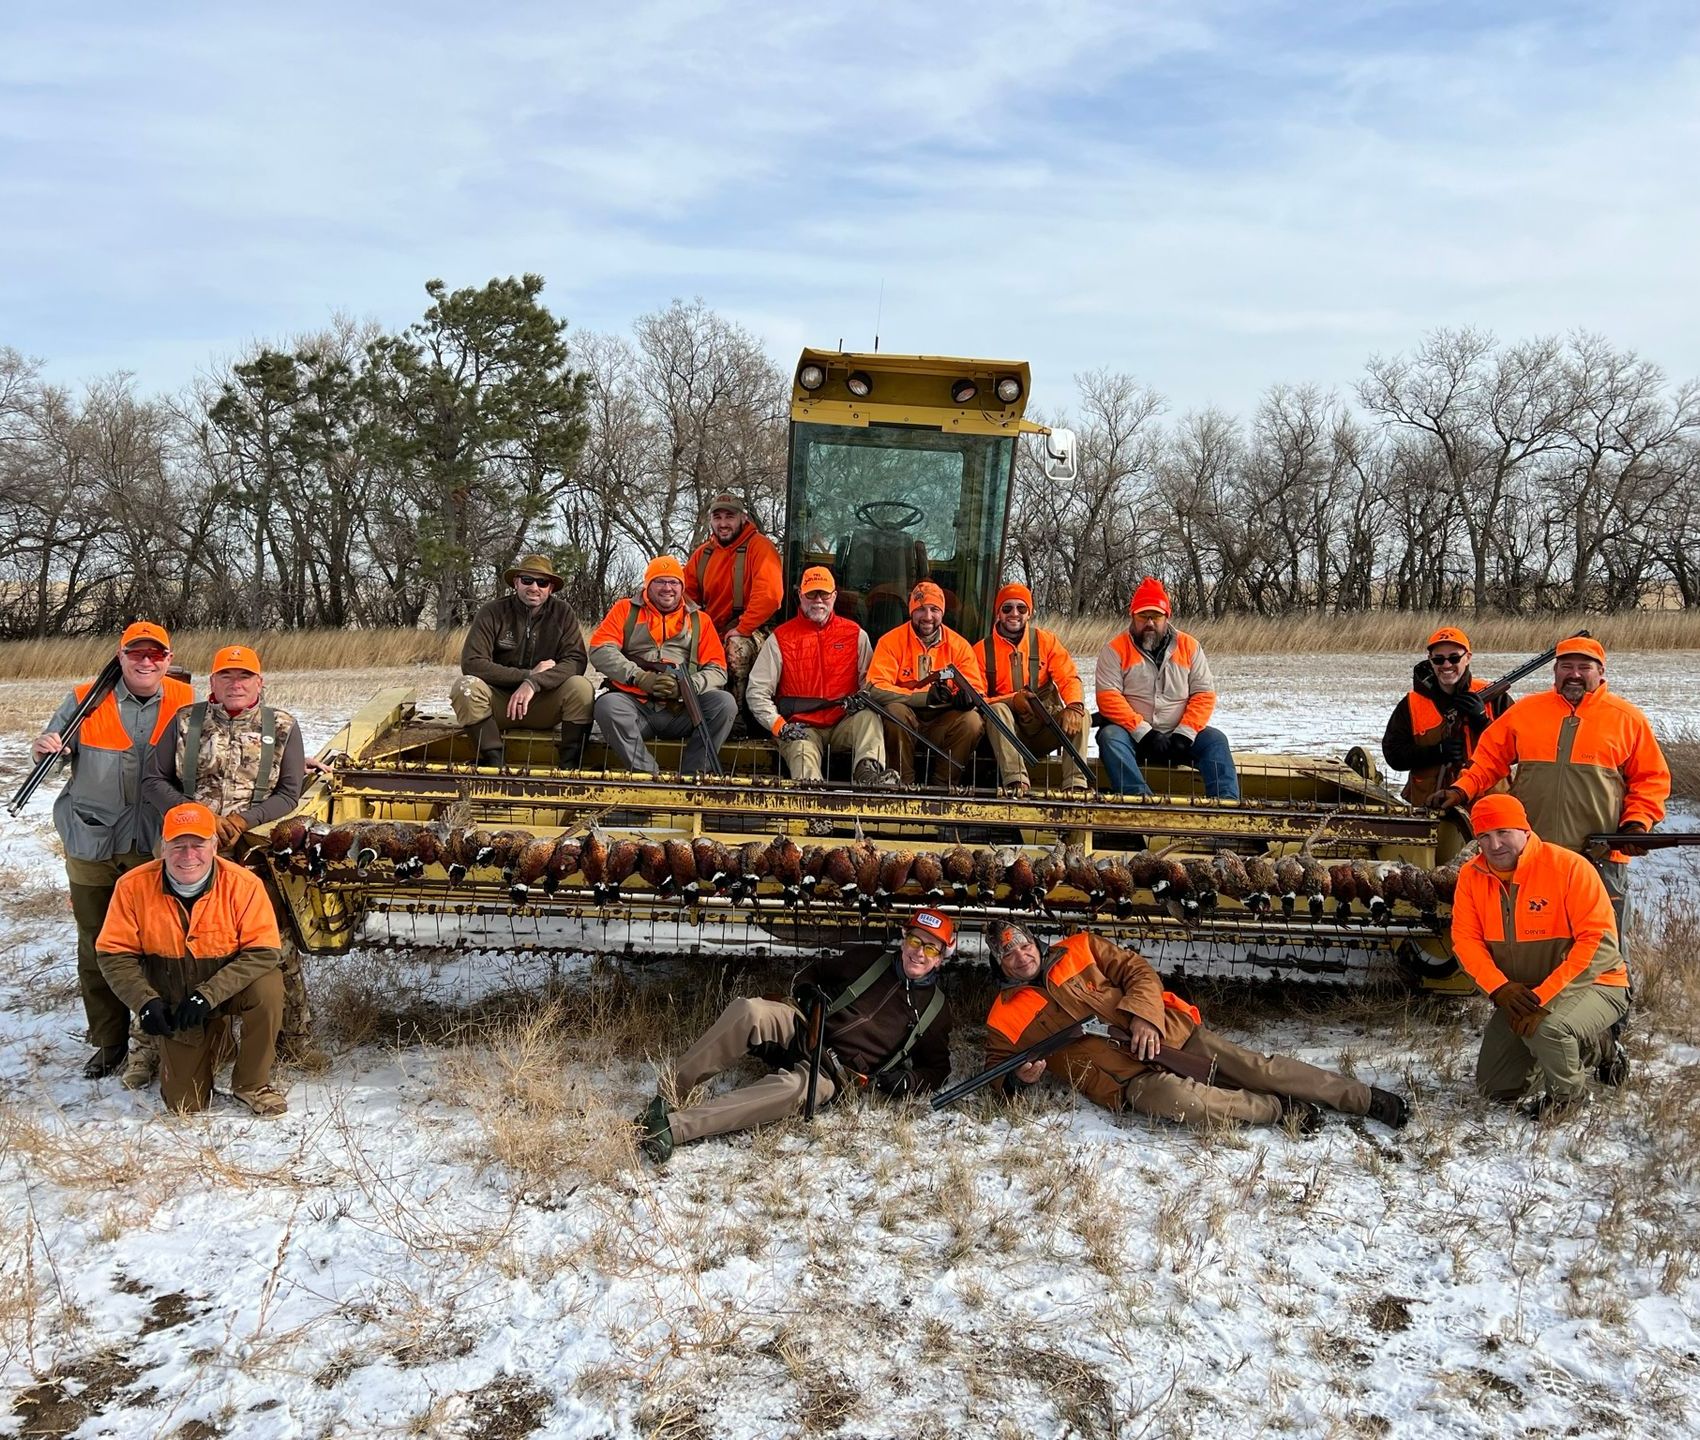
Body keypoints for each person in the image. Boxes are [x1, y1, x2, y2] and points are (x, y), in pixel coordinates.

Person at [984, 921, 1409, 1132]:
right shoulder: (1003, 1016)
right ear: (999, 964)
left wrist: (1145, 1018)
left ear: (1034, 940)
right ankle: (1279, 1110)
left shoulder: (1080, 946)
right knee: (1187, 1102)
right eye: (1009, 954)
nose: (1022, 956)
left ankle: (1362, 1098)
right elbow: (996, 1072)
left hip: (1172, 1035)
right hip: (1125, 1081)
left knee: (1259, 1068)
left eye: (1024, 944)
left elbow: (1137, 972)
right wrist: (1020, 1079)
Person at [636, 909, 958, 1162]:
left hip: (833, 1074)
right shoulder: (869, 959)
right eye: (915, 941)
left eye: (931, 948)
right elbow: (813, 973)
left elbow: (937, 1069)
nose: (920, 953)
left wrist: (907, 1081)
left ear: (941, 958)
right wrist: (806, 992)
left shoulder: (935, 1010)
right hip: (806, 1030)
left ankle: (674, 1129)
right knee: (749, 1010)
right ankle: (664, 1097)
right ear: (903, 939)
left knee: (793, 1090)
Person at [137, 643, 308, 1085]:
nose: (236, 684)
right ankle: (148, 1047)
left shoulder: (283, 726)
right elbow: (153, 780)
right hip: (187, 848)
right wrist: (197, 816)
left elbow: (290, 793)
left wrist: (244, 820)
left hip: (252, 851)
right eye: (226, 676)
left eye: (244, 676)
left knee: (274, 941)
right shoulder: (185, 721)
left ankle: (295, 1036)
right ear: (212, 682)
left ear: (259, 682)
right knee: (165, 943)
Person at [31, 621, 194, 1079]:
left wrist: (287, 763)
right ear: (120, 656)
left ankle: (155, 1038)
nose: (145, 661)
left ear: (168, 659)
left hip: (153, 843)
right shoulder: (84, 698)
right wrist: (43, 749)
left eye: (155, 654)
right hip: (92, 842)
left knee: (157, 944)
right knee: (97, 943)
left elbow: (223, 741)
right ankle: (108, 1040)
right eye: (135, 653)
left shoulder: (187, 700)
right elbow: (50, 754)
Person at [1429, 635, 1670, 944]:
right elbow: (1488, 759)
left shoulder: (1627, 719)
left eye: (1584, 667)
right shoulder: (1527, 711)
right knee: (1533, 942)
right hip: (1531, 855)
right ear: (1555, 671)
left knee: (1604, 945)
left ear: (1601, 672)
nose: (1574, 674)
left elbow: (1651, 780)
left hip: (1599, 857)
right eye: (1566, 666)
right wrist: (1461, 790)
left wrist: (1636, 824)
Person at [95, 802, 289, 1116]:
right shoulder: (131, 887)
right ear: (162, 848)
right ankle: (213, 1040)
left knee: (267, 989)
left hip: (227, 989)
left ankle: (252, 1083)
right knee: (185, 1105)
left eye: (198, 845)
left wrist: (207, 995)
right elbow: (114, 954)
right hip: (174, 999)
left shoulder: (244, 885)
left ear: (214, 846)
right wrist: (146, 1002)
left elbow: (264, 951)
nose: (188, 855)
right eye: (178, 845)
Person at [1448, 795, 1630, 1120]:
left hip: (1596, 984)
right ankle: (1582, 1047)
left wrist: (1544, 999)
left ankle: (1569, 1096)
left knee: (1548, 1029)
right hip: (1523, 993)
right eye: (1484, 836)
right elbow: (1465, 941)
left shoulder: (1569, 867)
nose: (1494, 845)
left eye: (1503, 832)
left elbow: (1598, 944)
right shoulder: (1470, 876)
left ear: (1525, 829)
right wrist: (1500, 989)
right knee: (1496, 1086)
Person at [745, 565, 897, 789]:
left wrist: (862, 699)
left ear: (834, 596)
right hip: (801, 727)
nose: (818, 601)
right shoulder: (780, 638)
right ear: (800, 596)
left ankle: (868, 777)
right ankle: (813, 799)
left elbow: (870, 684)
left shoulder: (856, 635)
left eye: (824, 594)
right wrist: (780, 726)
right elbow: (757, 692)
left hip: (843, 722)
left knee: (869, 718)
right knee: (801, 749)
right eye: (811, 594)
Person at [589, 555, 737, 776]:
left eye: (674, 582)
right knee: (607, 706)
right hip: (636, 710)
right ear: (648, 585)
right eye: (659, 581)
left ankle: (692, 777)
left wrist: (686, 686)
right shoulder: (625, 610)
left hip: (683, 712)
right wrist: (639, 678)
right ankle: (649, 777)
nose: (667, 588)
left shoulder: (700, 620)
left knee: (724, 704)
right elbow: (600, 650)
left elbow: (717, 669)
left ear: (682, 587)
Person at [1095, 577, 1239, 799]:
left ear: (1166, 617)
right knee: (1110, 737)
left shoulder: (1190, 647)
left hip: (1179, 737)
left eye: (1156, 616)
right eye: (1143, 616)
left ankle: (1226, 806)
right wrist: (1144, 733)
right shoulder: (1114, 650)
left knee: (1216, 740)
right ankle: (1140, 800)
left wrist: (1185, 733)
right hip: (1134, 736)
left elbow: (1203, 694)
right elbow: (1108, 698)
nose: (1150, 623)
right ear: (1132, 616)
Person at [450, 553, 597, 769]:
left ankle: (569, 766)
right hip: (500, 704)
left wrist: (534, 683)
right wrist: (527, 674)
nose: (534, 587)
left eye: (542, 582)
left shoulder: (563, 613)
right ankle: (494, 762)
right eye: (527, 580)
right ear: (516, 582)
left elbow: (576, 661)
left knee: (581, 687)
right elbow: (472, 662)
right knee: (465, 687)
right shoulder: (492, 612)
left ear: (551, 588)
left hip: (544, 704)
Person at [863, 581, 987, 787]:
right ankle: (903, 785)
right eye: (921, 609)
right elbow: (874, 688)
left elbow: (977, 690)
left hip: (943, 723)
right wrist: (921, 697)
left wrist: (965, 699)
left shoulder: (959, 646)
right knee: (894, 712)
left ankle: (943, 787)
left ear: (943, 613)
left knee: (972, 722)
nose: (928, 617)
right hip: (907, 719)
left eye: (934, 610)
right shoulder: (891, 641)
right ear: (911, 611)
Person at [979, 581, 1089, 797]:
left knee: (1081, 716)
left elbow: (1069, 678)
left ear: (1029, 613)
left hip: (1045, 727)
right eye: (1007, 608)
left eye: (1021, 608)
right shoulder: (981, 650)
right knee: (997, 711)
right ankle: (1016, 783)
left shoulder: (1047, 642)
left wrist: (1074, 706)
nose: (1014, 614)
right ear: (998, 613)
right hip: (1007, 735)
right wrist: (1012, 701)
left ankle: (1075, 786)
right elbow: (978, 699)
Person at [1381, 626, 1512, 804]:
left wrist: (1483, 722)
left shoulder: (1495, 697)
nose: (1446, 665)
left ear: (1468, 658)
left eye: (1454, 658)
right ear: (1430, 660)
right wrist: (1436, 752)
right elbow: (1394, 756)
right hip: (1431, 806)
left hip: (1489, 806)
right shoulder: (1411, 704)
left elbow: (1517, 750)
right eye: (1439, 659)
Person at [683, 492, 783, 717]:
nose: (723, 523)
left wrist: (743, 628)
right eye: (717, 517)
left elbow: (769, 596)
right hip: (714, 628)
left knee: (736, 648)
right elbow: (685, 597)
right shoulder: (703, 554)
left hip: (755, 628)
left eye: (730, 517)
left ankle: (737, 716)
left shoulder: (760, 548)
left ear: (743, 518)